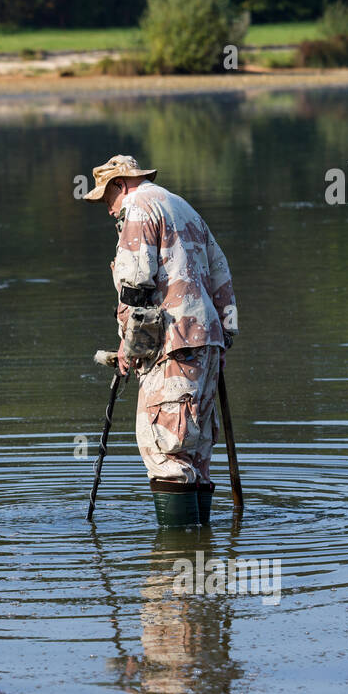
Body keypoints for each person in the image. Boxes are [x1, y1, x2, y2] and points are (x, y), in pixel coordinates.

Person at [83, 155, 238, 527]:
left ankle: (172, 572)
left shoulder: (138, 209)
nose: (109, 211)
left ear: (120, 185)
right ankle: (200, 566)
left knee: (163, 450)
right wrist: (221, 343)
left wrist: (128, 347)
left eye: (107, 200)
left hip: (171, 345)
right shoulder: (183, 207)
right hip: (205, 345)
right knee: (195, 455)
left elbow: (136, 287)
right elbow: (222, 278)